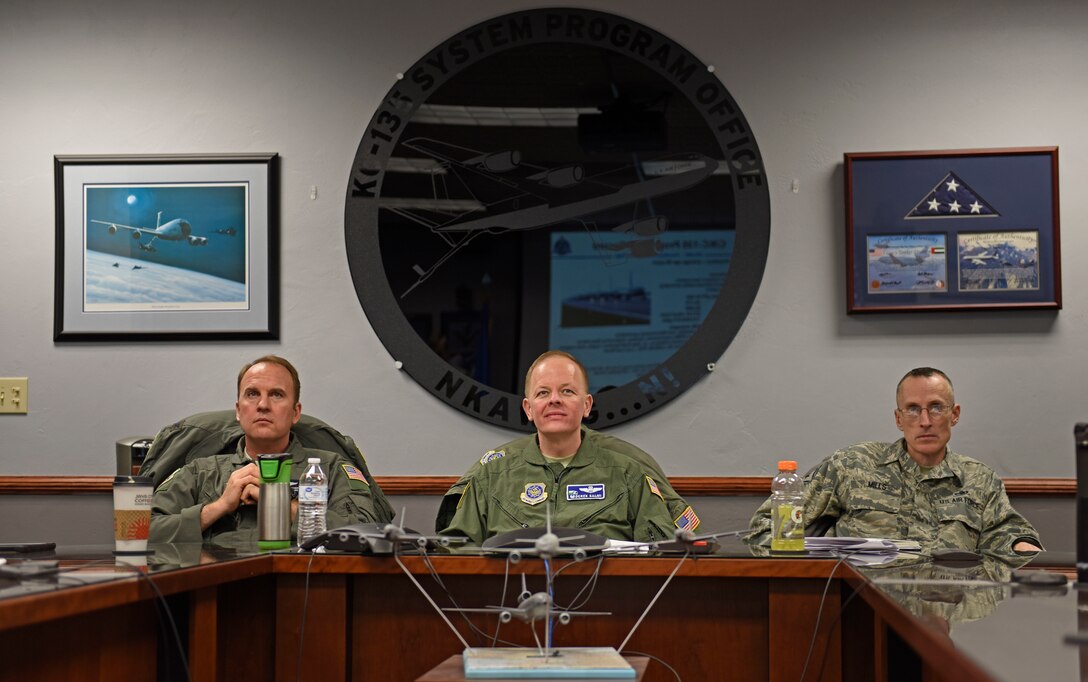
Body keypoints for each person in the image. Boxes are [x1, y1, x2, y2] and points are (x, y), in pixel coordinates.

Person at [747, 367, 1042, 558]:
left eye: (936, 408)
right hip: (856, 609)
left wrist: (1021, 547)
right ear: (898, 419)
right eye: (913, 410)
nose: (925, 421)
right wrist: (813, 571)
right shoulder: (851, 466)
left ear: (955, 414)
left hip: (945, 610)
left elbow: (1012, 537)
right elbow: (765, 530)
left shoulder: (980, 480)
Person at [439, 350, 698, 544]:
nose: (554, 400)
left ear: (586, 405)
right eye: (542, 393)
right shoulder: (491, 475)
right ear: (528, 409)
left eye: (567, 391)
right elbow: (457, 553)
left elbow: (661, 554)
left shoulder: (628, 473)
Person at [150, 355, 386, 543]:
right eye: (252, 394)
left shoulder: (330, 468)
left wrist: (279, 502)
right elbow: (140, 532)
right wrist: (219, 507)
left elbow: (366, 531)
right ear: (238, 410)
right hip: (217, 590)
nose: (263, 405)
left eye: (276, 395)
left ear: (295, 412)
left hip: (303, 586)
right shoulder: (200, 471)